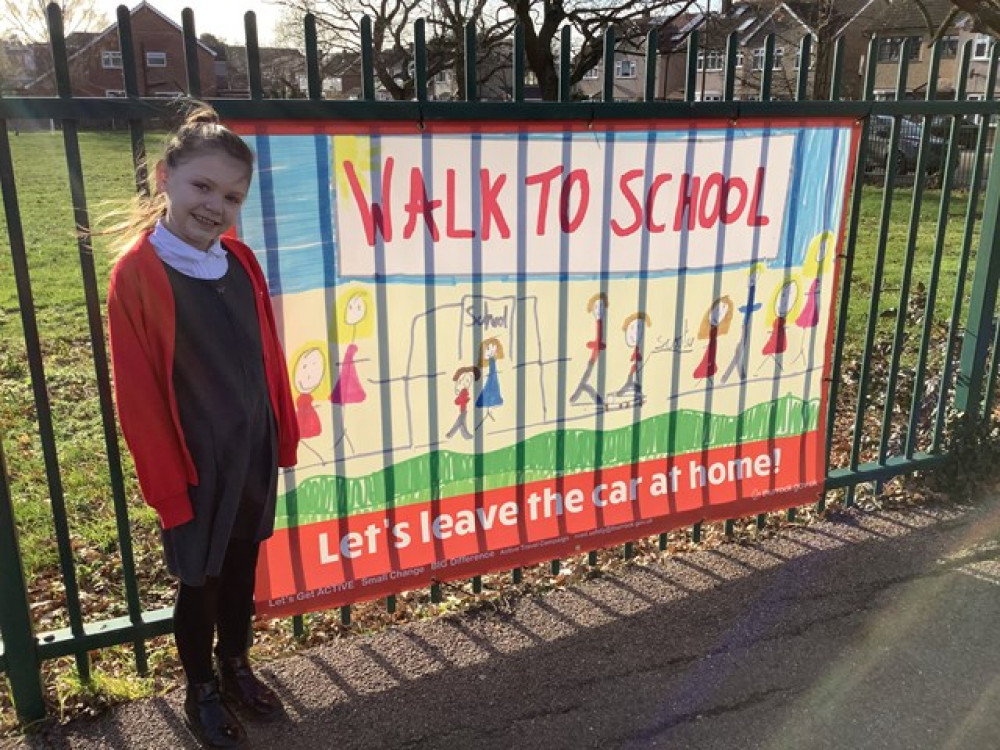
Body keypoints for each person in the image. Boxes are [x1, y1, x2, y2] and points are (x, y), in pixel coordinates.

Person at [104, 102, 299, 748]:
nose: (216, 206)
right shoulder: (138, 275)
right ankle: (201, 690)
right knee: (201, 583)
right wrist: (168, 488)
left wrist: (283, 434)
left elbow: (267, 355)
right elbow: (137, 395)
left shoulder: (239, 262)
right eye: (203, 187)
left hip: (250, 456)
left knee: (242, 570)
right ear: (165, 176)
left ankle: (235, 663)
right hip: (193, 472)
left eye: (232, 196)